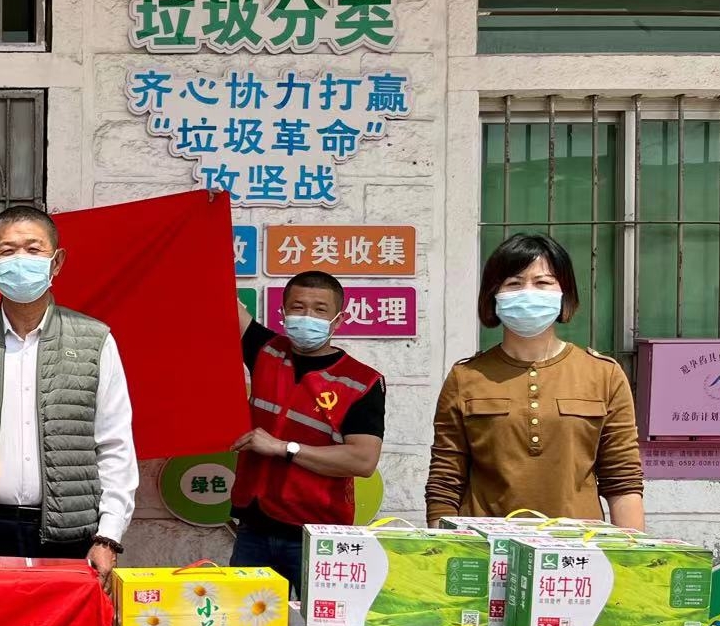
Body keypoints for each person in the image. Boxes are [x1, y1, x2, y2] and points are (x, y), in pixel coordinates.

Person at [0, 206, 137, 576]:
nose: (20, 259)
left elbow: (115, 446)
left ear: (57, 262)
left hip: (70, 536)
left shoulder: (94, 340)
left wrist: (108, 536)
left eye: (34, 249)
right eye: (8, 251)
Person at [426, 233, 644, 528]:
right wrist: (446, 548)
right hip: (485, 546)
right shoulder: (465, 377)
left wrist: (630, 552)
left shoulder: (604, 374)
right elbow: (445, 482)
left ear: (564, 293)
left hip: (577, 548)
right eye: (514, 283)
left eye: (542, 282)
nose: (528, 292)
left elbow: (623, 481)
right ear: (493, 295)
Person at [229, 271, 385, 596]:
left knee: (321, 623)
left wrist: (284, 448)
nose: (307, 316)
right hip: (254, 528)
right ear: (283, 313)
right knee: (248, 621)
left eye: (319, 309)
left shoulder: (361, 381)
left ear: (338, 320)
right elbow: (223, 302)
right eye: (298, 307)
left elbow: (363, 460)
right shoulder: (265, 351)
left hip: (318, 535)